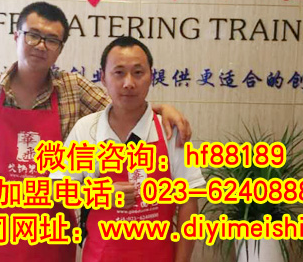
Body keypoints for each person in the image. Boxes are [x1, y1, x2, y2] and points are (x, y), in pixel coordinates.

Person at [0, 2, 191, 261]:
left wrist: (162, 110)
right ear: (17, 36)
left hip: (53, 229)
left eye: (52, 40)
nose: (41, 45)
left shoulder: (72, 88)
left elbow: (124, 106)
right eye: (33, 35)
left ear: (60, 48)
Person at [51, 36, 205, 262]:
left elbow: (189, 203)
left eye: (138, 72)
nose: (129, 83)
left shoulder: (169, 131)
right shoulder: (86, 130)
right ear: (103, 78)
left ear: (151, 76)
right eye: (119, 72)